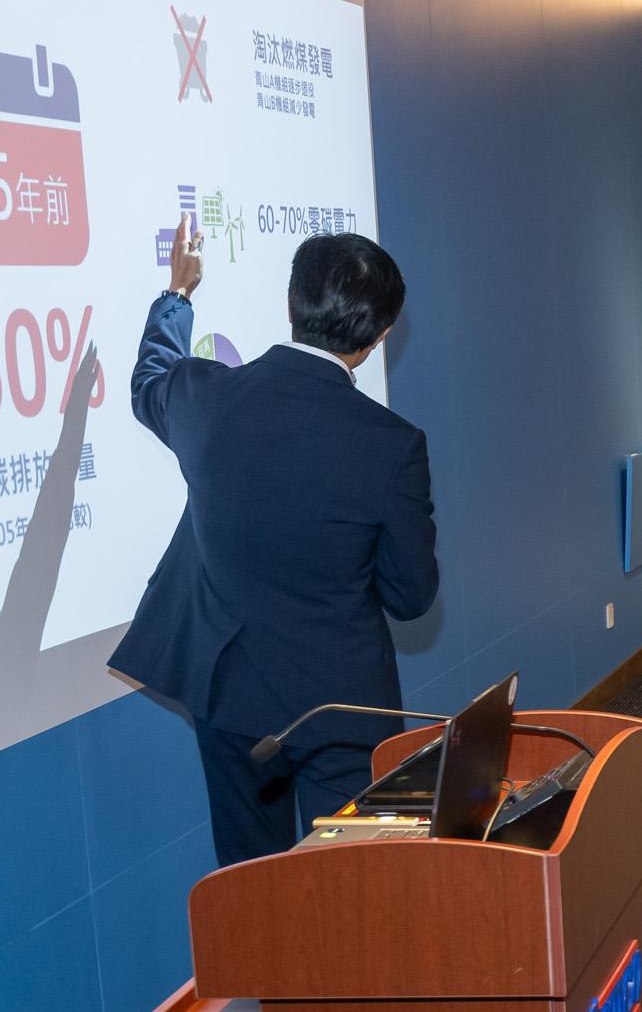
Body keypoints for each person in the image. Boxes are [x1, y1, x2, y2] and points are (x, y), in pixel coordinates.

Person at [113, 223, 437, 867]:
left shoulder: (204, 397)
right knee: (361, 888)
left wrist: (177, 294)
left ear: (292, 305)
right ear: (378, 339)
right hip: (346, 708)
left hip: (231, 697)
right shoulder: (392, 444)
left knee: (250, 890)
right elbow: (410, 595)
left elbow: (149, 377)